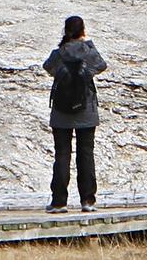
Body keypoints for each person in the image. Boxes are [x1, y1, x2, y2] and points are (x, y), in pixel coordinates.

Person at [43, 14, 107, 213]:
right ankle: (88, 201)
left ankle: (59, 201)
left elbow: (48, 67)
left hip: (61, 111)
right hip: (86, 110)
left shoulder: (59, 53)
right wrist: (87, 44)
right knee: (85, 154)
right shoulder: (88, 51)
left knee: (62, 155)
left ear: (66, 30)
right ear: (83, 30)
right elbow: (101, 65)